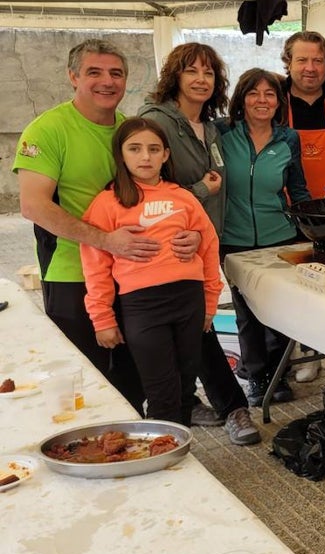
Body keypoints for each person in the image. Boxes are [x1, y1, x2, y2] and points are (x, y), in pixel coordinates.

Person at [13, 39, 200, 412]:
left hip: (132, 278)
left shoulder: (129, 133)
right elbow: (33, 206)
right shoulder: (48, 129)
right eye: (94, 72)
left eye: (116, 73)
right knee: (88, 379)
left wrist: (189, 233)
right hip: (72, 274)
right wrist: (106, 240)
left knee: (133, 380)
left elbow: (163, 197)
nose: (107, 81)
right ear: (73, 77)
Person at [139, 43, 260, 444]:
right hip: (176, 246)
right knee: (201, 325)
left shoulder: (209, 126)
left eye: (208, 73)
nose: (201, 80)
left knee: (198, 324)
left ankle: (190, 404)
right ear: (175, 75)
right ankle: (232, 408)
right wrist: (199, 191)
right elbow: (147, 187)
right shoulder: (156, 122)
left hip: (209, 240)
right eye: (192, 71)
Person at [79, 118, 221, 426]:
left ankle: (180, 453)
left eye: (154, 149)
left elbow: (209, 246)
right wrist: (102, 318)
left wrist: (210, 303)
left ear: (166, 155)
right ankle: (162, 455)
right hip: (142, 306)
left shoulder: (183, 197)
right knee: (161, 391)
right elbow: (95, 264)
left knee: (185, 386)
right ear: (121, 154)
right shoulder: (108, 203)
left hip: (189, 301)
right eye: (135, 149)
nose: (145, 157)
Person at [218, 69, 312, 407]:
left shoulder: (288, 139)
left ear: (279, 101)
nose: (262, 100)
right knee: (246, 311)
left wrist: (309, 229)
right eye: (254, 93)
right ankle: (256, 376)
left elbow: (297, 188)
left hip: (280, 236)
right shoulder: (223, 133)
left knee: (280, 309)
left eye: (269, 94)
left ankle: (278, 374)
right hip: (234, 237)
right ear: (241, 99)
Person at [281, 31, 325, 197]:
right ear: (288, 63)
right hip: (285, 210)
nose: (310, 68)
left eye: (317, 61)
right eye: (302, 60)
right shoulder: (274, 100)